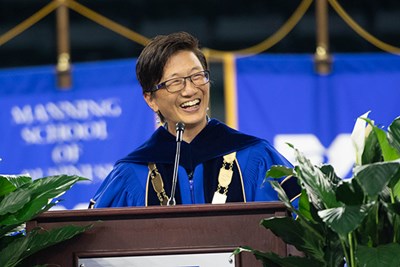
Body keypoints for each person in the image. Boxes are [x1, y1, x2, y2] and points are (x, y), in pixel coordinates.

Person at [90, 31, 300, 208]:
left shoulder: (254, 155)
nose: (190, 90)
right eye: (175, 82)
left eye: (197, 76)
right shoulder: (132, 172)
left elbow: (302, 228)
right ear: (150, 99)